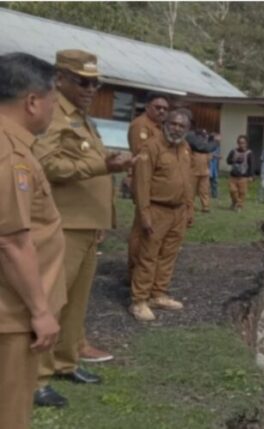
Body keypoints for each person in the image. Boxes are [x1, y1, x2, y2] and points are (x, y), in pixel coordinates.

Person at [32, 50, 133, 408]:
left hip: (87, 225)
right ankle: (36, 378)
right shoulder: (52, 113)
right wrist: (101, 168)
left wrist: (104, 215)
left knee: (76, 303)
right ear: (60, 78)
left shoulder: (82, 118)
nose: (91, 88)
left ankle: (65, 361)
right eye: (83, 81)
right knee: (52, 300)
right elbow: (44, 164)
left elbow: (91, 164)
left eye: (96, 82)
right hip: (63, 224)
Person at [0, 52, 64, 429]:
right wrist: (40, 311)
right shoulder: (11, 157)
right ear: (33, 102)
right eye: (54, 101)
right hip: (10, 312)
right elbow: (10, 241)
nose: (54, 110)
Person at [130, 109, 194, 321]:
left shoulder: (185, 148)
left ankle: (158, 294)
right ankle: (139, 300)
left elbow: (188, 179)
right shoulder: (152, 146)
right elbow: (142, 183)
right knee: (148, 255)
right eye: (173, 124)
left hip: (178, 211)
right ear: (165, 124)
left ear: (187, 129)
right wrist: (145, 214)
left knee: (168, 255)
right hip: (157, 209)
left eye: (181, 126)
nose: (176, 128)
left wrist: (189, 208)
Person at [126, 93, 169, 282]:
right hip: (144, 182)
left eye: (165, 109)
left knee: (151, 230)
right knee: (141, 228)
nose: (162, 111)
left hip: (157, 184)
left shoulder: (158, 127)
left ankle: (144, 271)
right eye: (158, 107)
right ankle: (133, 271)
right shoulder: (140, 125)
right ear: (147, 107)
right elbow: (142, 155)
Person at [226, 135, 254, 211]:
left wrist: (251, 176)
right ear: (237, 143)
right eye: (240, 143)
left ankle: (239, 206)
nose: (241, 144)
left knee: (242, 192)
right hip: (233, 176)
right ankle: (235, 202)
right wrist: (234, 160)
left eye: (243, 143)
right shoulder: (233, 151)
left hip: (243, 176)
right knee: (232, 190)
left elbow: (251, 165)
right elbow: (228, 161)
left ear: (246, 144)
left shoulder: (249, 153)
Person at [188, 129, 212, 212]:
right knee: (191, 191)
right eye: (201, 136)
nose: (203, 138)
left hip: (205, 173)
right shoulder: (192, 146)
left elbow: (209, 159)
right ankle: (190, 206)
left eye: (204, 136)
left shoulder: (206, 147)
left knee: (204, 191)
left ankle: (205, 206)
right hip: (193, 172)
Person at [209, 134, 222, 199]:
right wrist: (217, 156)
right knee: (208, 181)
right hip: (209, 166)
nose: (219, 140)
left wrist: (218, 156)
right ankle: (207, 194)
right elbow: (210, 154)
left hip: (214, 167)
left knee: (215, 181)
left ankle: (215, 194)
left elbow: (218, 155)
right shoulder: (209, 145)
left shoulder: (218, 147)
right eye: (217, 139)